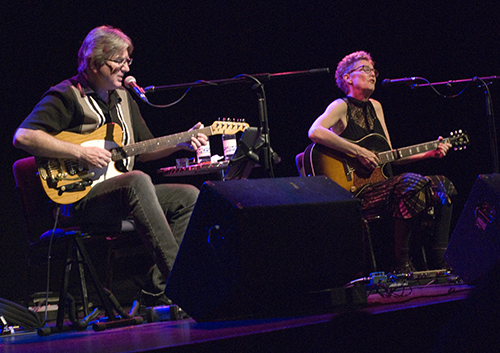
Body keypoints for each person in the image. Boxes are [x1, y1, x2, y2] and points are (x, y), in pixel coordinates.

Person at [12, 25, 208, 303]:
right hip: (79, 199)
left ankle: (159, 286)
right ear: (93, 63)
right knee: (138, 180)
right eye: (119, 60)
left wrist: (181, 143)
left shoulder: (125, 100)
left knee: (188, 197)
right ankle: (186, 286)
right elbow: (23, 136)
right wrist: (79, 153)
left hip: (121, 195)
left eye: (128, 60)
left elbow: (144, 149)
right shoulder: (67, 95)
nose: (126, 68)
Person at [308, 51, 457, 273]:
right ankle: (402, 264)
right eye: (365, 70)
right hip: (356, 191)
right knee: (413, 183)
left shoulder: (376, 107)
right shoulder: (340, 106)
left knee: (443, 185)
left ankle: (440, 260)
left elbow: (390, 156)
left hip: (383, 186)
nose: (373, 75)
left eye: (374, 71)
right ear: (348, 78)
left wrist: (428, 154)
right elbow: (315, 131)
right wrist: (357, 150)